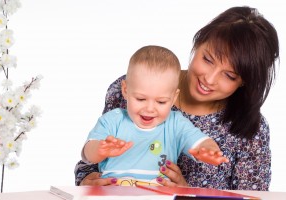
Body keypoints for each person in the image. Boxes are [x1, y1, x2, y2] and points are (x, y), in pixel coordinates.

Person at [75, 6, 279, 191]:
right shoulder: (137, 83)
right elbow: (91, 159)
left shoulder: (249, 126)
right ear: (198, 44)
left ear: (244, 81)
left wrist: (188, 193)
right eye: (207, 59)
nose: (209, 79)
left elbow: (253, 196)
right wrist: (87, 181)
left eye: (230, 75)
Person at [82, 45, 229, 186]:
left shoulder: (175, 123)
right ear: (125, 90)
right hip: (114, 192)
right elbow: (88, 153)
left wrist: (209, 150)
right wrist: (100, 149)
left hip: (159, 193)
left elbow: (199, 141)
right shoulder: (113, 120)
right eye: (141, 99)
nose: (150, 108)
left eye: (161, 101)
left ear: (173, 98)